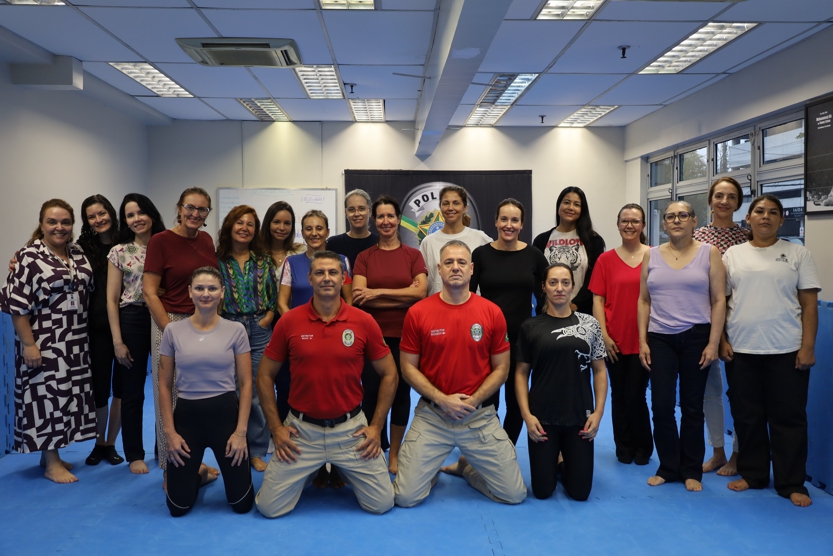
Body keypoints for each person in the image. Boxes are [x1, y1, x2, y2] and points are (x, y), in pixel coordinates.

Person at [255, 251, 398, 518]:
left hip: (350, 431)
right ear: (310, 279)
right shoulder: (289, 321)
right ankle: (311, 470)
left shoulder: (363, 321)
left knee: (382, 504)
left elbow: (390, 374)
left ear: (343, 278)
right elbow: (264, 375)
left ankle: (341, 466)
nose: (327, 278)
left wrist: (376, 427)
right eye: (319, 273)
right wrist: (276, 429)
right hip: (301, 432)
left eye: (333, 272)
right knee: (269, 508)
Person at [393, 240, 527, 507]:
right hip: (433, 416)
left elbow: (502, 368)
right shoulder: (418, 313)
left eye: (461, 262)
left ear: (471, 269)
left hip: (478, 417)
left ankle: (467, 469)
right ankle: (428, 472)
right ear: (439, 269)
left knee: (514, 495)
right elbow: (407, 367)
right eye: (449, 262)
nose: (455, 267)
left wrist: (473, 401)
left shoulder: (491, 312)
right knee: (404, 497)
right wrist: (442, 400)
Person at [722, 195, 820, 507]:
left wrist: (808, 347)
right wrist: (722, 340)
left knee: (788, 419)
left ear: (781, 220)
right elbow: (721, 301)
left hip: (787, 350)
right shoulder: (732, 255)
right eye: (760, 211)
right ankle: (753, 474)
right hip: (742, 349)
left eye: (773, 212)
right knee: (747, 417)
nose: (766, 217)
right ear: (748, 218)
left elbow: (809, 305)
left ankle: (791, 482)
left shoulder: (798, 253)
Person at [0, 199, 96, 483]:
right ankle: (52, 464)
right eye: (52, 222)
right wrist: (29, 345)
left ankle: (49, 454)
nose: (59, 227)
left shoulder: (77, 252)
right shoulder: (29, 256)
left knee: (66, 397)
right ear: (41, 224)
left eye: (65, 222)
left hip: (75, 341)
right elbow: (17, 306)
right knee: (46, 399)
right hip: (44, 340)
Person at [637, 201, 725, 492]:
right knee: (661, 406)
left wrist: (713, 342)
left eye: (682, 215)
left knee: (692, 407)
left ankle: (690, 469)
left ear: (694, 220)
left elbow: (718, 300)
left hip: (697, 337)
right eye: (670, 216)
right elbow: (644, 300)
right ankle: (668, 467)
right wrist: (642, 340)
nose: (676, 220)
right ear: (664, 223)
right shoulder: (651, 255)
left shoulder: (709, 253)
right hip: (660, 338)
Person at [160, 267, 254, 516]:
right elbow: (164, 385)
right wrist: (170, 433)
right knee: (177, 508)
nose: (206, 294)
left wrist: (241, 432)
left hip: (225, 419)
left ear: (222, 292)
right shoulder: (172, 331)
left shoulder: (236, 330)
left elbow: (246, 383)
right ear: (189, 292)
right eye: (199, 288)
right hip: (187, 419)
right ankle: (201, 473)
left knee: (242, 505)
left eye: (212, 288)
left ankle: (206, 471)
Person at [143, 187, 219, 484]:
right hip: (170, 322)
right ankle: (169, 470)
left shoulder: (206, 240)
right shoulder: (161, 241)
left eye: (202, 209)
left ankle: (194, 464)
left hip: (202, 323)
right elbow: (150, 292)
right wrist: (171, 331)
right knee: (169, 398)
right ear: (179, 208)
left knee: (196, 398)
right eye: (190, 207)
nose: (195, 213)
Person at [516, 263, 608, 501]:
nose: (559, 288)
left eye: (565, 283)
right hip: (543, 419)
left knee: (580, 494)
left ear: (572, 287)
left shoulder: (590, 324)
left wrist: (598, 413)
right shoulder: (530, 327)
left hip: (579, 417)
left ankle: (562, 461)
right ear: (544, 287)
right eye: (553, 282)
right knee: (542, 492)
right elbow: (521, 374)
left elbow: (599, 371)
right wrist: (527, 416)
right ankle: (555, 459)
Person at [276, 209, 353, 488]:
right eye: (308, 228)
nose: (314, 233)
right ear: (302, 232)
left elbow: (349, 301)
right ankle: (301, 456)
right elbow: (282, 302)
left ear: (327, 231)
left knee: (336, 393)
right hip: (300, 341)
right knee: (292, 391)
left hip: (336, 338)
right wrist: (295, 329)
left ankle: (338, 464)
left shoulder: (341, 261)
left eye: (319, 228)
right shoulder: (291, 262)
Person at [353, 195, 428, 474]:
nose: (386, 221)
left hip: (404, 336)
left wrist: (377, 293)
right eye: (381, 216)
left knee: (400, 392)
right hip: (372, 336)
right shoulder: (365, 257)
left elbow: (420, 293)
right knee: (371, 392)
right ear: (374, 221)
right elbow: (359, 298)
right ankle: (374, 448)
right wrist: (402, 297)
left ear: (398, 219)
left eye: (391, 216)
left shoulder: (413, 255)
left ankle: (394, 453)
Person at [470, 198, 547, 444]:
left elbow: (546, 296)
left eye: (515, 220)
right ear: (495, 222)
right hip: (486, 340)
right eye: (504, 219)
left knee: (516, 401)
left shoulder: (534, 256)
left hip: (520, 341)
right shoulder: (481, 254)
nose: (509, 225)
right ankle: (487, 448)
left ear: (522, 224)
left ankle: (506, 449)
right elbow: (467, 297)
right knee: (487, 401)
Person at [692, 177, 749, 476]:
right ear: (710, 200)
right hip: (704, 321)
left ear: (738, 202)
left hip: (740, 322)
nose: (724, 201)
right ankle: (717, 451)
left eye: (731, 196)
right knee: (710, 391)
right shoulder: (697, 237)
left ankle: (738, 454)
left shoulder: (748, 238)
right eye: (719, 196)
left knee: (741, 393)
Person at [106, 193, 166, 474]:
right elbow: (111, 299)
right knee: (132, 391)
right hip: (132, 319)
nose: (137, 219)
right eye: (130, 215)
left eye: (141, 212)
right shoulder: (119, 251)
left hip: (163, 316)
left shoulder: (166, 245)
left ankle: (164, 448)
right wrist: (117, 341)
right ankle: (134, 453)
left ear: (152, 214)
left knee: (166, 386)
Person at [589, 204, 652, 465]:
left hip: (643, 339)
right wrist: (603, 335)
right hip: (614, 339)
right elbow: (597, 300)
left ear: (643, 225)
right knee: (619, 394)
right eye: (625, 221)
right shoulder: (605, 260)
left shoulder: (654, 256)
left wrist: (647, 338)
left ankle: (643, 446)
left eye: (635, 221)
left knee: (636, 394)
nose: (629, 225)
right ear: (618, 225)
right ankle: (623, 447)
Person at [217, 205, 277, 473]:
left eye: (250, 224)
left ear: (256, 230)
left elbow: (274, 295)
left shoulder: (263, 261)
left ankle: (256, 450)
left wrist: (268, 316)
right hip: (229, 327)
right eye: (239, 223)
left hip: (260, 328)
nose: (244, 228)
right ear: (230, 226)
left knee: (256, 390)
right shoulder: (217, 261)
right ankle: (232, 446)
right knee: (230, 390)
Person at [76, 195, 124, 466]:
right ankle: (98, 442)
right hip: (96, 328)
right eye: (92, 216)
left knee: (122, 389)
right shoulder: (81, 248)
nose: (98, 220)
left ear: (111, 213)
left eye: (102, 213)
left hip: (128, 324)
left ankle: (111, 443)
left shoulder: (127, 241)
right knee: (100, 388)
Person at [533, 186, 605, 315]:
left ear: (582, 210)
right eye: (566, 202)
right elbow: (537, 279)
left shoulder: (594, 241)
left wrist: (575, 304)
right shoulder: (541, 240)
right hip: (548, 313)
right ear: (559, 205)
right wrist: (548, 304)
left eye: (577, 204)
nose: (571, 207)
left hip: (582, 313)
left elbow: (594, 279)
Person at [419, 185, 491, 296]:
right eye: (446, 203)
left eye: (456, 203)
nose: (450, 208)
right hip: (437, 305)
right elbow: (424, 284)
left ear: (465, 208)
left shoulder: (481, 238)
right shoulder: (428, 242)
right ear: (440, 207)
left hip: (472, 305)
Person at [326, 189, 378, 270]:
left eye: (361, 209)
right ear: (346, 213)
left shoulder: (379, 243)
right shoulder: (333, 244)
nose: (356, 214)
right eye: (351, 210)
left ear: (370, 212)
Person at [261, 200, 304, 273]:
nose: (282, 228)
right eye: (276, 222)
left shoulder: (300, 252)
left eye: (287, 223)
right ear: (268, 224)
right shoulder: (256, 254)